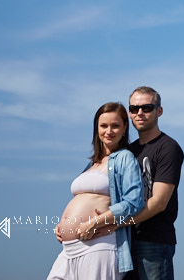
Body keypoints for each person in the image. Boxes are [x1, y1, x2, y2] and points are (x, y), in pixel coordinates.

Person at [48, 102, 145, 280]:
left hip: (100, 245)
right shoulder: (92, 163)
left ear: (125, 128)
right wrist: (62, 226)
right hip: (69, 249)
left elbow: (134, 202)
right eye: (103, 126)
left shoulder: (125, 158)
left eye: (115, 126)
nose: (109, 131)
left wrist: (94, 223)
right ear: (96, 128)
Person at [124, 86, 184, 280]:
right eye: (134, 109)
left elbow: (159, 202)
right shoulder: (126, 152)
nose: (140, 113)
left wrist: (119, 223)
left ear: (159, 111)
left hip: (154, 241)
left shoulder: (168, 148)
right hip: (124, 241)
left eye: (147, 108)